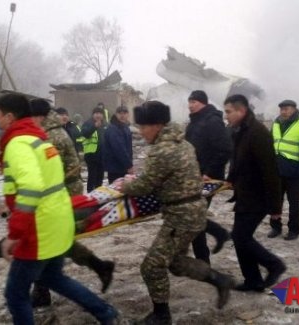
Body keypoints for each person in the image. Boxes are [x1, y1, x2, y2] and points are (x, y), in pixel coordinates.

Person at [0, 94, 118, 325]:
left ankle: (105, 310)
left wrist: (15, 233)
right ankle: (106, 314)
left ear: (10, 117)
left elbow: (30, 188)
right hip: (56, 220)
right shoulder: (38, 140)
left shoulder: (18, 144)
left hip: (37, 228)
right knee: (55, 279)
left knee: (15, 294)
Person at [117, 101, 234, 324]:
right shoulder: (183, 143)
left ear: (158, 125)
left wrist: (126, 186)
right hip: (192, 211)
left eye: (144, 127)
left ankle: (162, 315)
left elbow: (145, 185)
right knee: (175, 262)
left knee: (151, 266)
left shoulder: (162, 150)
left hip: (181, 216)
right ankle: (220, 280)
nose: (141, 132)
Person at [28, 98, 115, 307]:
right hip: (61, 192)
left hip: (63, 194)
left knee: (45, 241)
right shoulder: (50, 132)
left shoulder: (51, 137)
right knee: (55, 241)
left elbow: (51, 172)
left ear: (38, 116)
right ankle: (99, 267)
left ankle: (44, 290)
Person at [223, 94, 286, 292]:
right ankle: (253, 280)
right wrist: (229, 181)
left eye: (229, 112)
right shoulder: (239, 130)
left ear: (241, 111)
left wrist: (276, 208)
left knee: (241, 237)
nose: (226, 116)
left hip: (258, 196)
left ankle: (274, 265)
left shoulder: (258, 133)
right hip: (245, 194)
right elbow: (237, 160)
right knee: (240, 237)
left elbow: (271, 172)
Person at [185, 90, 232, 263]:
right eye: (189, 102)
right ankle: (219, 236)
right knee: (193, 217)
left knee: (193, 218)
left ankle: (203, 261)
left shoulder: (212, 122)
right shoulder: (195, 122)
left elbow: (225, 150)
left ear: (203, 103)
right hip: (193, 177)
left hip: (207, 179)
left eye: (194, 102)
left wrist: (209, 173)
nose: (190, 105)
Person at [268, 99, 299, 241]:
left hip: (293, 171)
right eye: (281, 109)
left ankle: (294, 230)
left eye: (286, 109)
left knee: (294, 202)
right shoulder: (276, 123)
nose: (283, 111)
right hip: (276, 169)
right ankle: (275, 226)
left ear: (294, 109)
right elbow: (270, 144)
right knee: (275, 200)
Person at [103, 105, 133, 183]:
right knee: (117, 192)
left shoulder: (124, 127)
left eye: (124, 113)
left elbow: (128, 148)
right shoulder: (113, 129)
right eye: (120, 113)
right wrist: (129, 165)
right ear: (116, 114)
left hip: (122, 167)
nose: (122, 115)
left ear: (128, 114)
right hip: (116, 168)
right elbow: (119, 149)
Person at [82, 106, 107, 192]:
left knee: (100, 177)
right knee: (92, 177)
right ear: (93, 115)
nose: (98, 115)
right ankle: (90, 194)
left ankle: (98, 194)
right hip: (91, 155)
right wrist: (94, 126)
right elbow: (85, 133)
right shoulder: (88, 123)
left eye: (100, 113)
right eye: (96, 113)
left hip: (102, 155)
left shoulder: (105, 125)